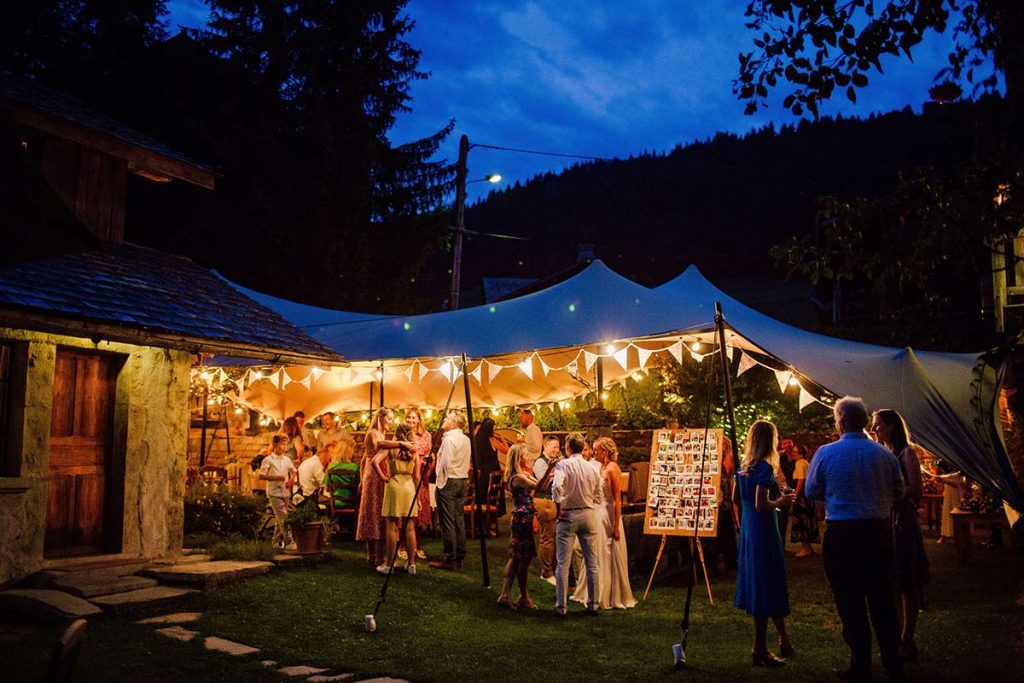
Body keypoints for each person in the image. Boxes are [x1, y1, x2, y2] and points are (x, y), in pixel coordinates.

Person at [806, 396, 905, 681]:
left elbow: (812, 491)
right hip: (877, 533)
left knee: (849, 601)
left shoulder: (826, 453)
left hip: (843, 534)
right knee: (882, 599)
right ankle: (892, 660)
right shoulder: (884, 455)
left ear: (842, 421)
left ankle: (860, 662)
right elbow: (899, 493)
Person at [733, 420, 795, 667]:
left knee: (768, 581)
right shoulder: (765, 469)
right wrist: (782, 501)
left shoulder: (743, 467)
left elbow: (738, 498)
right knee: (765, 583)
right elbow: (762, 505)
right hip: (763, 530)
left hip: (749, 529)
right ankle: (759, 648)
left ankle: (783, 637)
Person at [871, 409, 930, 663]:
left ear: (891, 426)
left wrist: (893, 492)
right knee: (890, 581)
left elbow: (916, 489)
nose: (874, 430)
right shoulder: (882, 454)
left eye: (878, 425)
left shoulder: (907, 453)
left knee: (907, 580)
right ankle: (895, 637)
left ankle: (908, 638)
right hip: (885, 519)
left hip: (902, 521)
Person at [552, 431, 602, 617]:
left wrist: (559, 506)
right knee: (592, 561)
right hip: (588, 514)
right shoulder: (593, 468)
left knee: (562, 563)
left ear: (568, 448)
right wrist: (592, 501)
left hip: (569, 515)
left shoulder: (563, 465)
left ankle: (561, 607)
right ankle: (593, 605)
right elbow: (599, 493)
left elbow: (557, 486)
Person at [356, 408, 407, 567]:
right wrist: (401, 443)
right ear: (380, 417)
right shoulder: (374, 434)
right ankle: (375, 557)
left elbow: (363, 459)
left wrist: (361, 479)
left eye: (392, 420)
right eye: (389, 419)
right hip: (375, 476)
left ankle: (375, 556)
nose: (390, 422)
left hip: (372, 474)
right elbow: (379, 445)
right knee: (375, 513)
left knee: (377, 512)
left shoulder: (380, 434)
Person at [593, 437, 636, 609]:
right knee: (601, 552)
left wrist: (616, 526)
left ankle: (614, 594)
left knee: (610, 551)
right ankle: (600, 590)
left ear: (604, 451)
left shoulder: (612, 469)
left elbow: (617, 500)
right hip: (600, 512)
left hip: (609, 514)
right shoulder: (600, 467)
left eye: (596, 449)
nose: (594, 452)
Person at [374, 411, 419, 575]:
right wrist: (418, 496)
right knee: (409, 527)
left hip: (394, 485)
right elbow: (417, 475)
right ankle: (412, 565)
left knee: (391, 527)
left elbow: (375, 460)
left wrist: (384, 477)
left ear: (397, 434)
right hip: (409, 487)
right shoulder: (414, 450)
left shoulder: (392, 448)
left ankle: (389, 565)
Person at [496, 444, 538, 609]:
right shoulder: (517, 478)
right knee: (519, 557)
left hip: (524, 518)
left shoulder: (522, 474)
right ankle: (513, 595)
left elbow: (536, 481)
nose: (527, 457)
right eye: (525, 455)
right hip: (521, 520)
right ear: (519, 458)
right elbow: (538, 485)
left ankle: (514, 595)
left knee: (519, 558)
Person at [430, 411, 472, 571]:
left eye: (448, 418)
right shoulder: (466, 439)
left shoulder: (449, 440)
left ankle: (450, 557)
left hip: (450, 481)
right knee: (458, 519)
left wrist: (440, 482)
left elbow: (444, 464)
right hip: (462, 480)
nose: (444, 419)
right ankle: (459, 555)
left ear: (454, 423)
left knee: (448, 521)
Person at [259, 434, 297, 550]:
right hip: (274, 492)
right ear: (275, 445)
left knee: (279, 518)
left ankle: (275, 542)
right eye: (282, 444)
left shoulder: (287, 460)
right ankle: (289, 541)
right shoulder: (268, 460)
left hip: (285, 491)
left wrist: (291, 479)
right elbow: (261, 476)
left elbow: (293, 471)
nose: (284, 447)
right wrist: (276, 478)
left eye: (286, 445)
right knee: (284, 517)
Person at [532, 436, 562, 585]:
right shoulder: (540, 462)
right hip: (544, 501)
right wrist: (554, 473)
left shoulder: (556, 462)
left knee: (553, 536)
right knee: (547, 538)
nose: (556, 450)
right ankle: (546, 571)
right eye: (553, 447)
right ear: (545, 446)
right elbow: (542, 484)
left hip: (553, 501)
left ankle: (552, 566)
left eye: (558, 447)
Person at [405, 407, 433, 561]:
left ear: (419, 419)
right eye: (408, 417)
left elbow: (429, 453)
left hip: (422, 475)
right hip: (408, 475)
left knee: (420, 513)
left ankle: (418, 546)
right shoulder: (403, 434)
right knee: (407, 511)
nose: (411, 420)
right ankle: (403, 546)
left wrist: (429, 460)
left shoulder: (426, 435)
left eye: (414, 417)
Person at [789, 444, 819, 557]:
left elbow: (801, 481)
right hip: (807, 496)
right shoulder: (805, 463)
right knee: (806, 519)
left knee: (802, 520)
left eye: (795, 452)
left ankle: (806, 547)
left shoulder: (800, 463)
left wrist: (795, 495)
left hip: (802, 496)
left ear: (801, 454)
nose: (793, 454)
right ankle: (807, 547)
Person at [475, 417, 505, 518]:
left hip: (482, 472)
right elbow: (506, 450)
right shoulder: (491, 439)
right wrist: (502, 439)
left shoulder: (476, 438)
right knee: (490, 497)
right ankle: (491, 521)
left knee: (480, 495)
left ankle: (477, 522)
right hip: (493, 471)